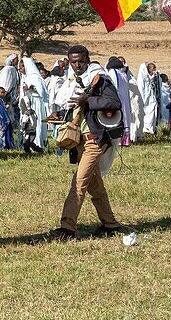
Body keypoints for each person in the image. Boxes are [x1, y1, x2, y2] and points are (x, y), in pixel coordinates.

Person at [55, 45, 125, 240]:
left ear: (87, 59)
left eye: (80, 61)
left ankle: (67, 227)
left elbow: (114, 102)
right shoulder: (72, 81)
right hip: (79, 141)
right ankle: (111, 225)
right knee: (95, 186)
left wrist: (89, 101)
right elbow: (71, 105)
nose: (77, 65)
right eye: (73, 61)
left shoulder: (99, 78)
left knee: (78, 182)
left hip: (95, 140)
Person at [19, 57, 49, 153]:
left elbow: (42, 93)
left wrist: (32, 89)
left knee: (36, 124)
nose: (19, 69)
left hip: (35, 104)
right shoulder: (25, 77)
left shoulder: (35, 77)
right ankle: (27, 145)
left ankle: (37, 145)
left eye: (21, 67)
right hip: (27, 104)